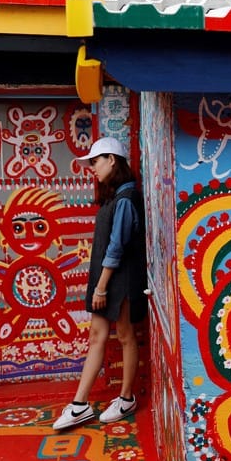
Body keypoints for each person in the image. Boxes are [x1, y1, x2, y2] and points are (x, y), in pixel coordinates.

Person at [53, 136, 148, 429]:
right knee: (97, 336)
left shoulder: (126, 199)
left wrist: (102, 286)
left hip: (120, 280)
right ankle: (80, 404)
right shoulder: (116, 197)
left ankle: (126, 397)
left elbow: (117, 247)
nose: (92, 168)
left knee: (125, 335)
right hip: (107, 279)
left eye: (95, 162)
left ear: (112, 160)